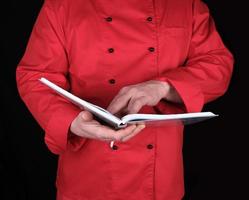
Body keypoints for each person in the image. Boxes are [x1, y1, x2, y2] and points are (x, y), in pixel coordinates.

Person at [16, 0, 234, 199]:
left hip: (160, 181)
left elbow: (218, 66)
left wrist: (165, 86)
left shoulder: (187, 5)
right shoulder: (62, 6)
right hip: (88, 177)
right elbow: (35, 76)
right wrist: (71, 121)